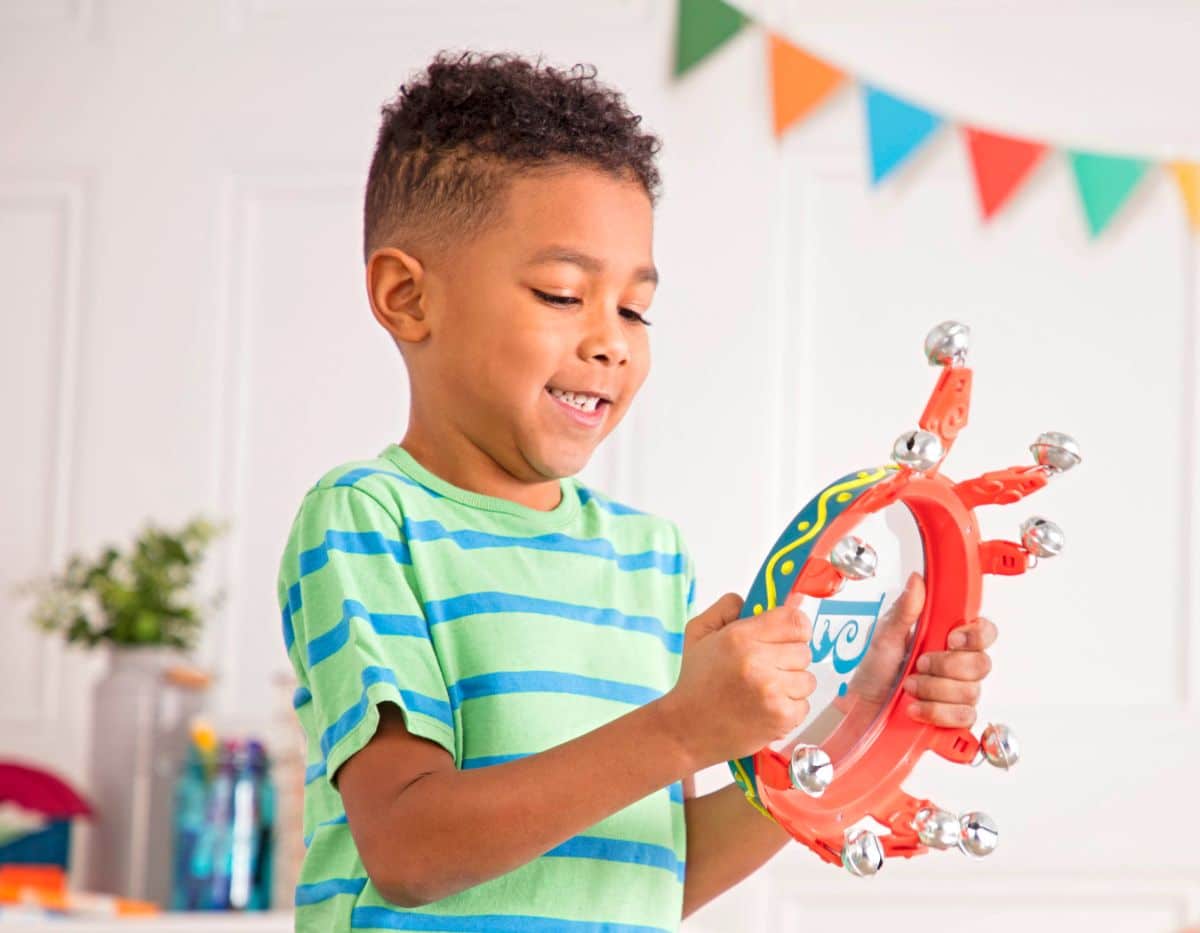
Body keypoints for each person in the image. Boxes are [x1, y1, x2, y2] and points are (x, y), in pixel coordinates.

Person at [276, 49, 997, 932]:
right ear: (406, 297)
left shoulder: (649, 557)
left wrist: (857, 710)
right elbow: (409, 848)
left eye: (634, 308)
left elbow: (651, 875)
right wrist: (683, 728)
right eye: (561, 293)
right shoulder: (367, 520)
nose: (612, 342)